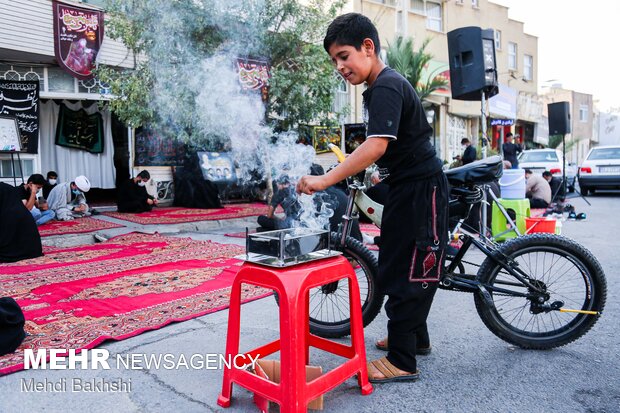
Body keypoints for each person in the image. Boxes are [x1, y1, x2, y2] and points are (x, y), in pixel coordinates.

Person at [297, 13, 449, 384]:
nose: (340, 66)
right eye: (334, 60)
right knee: (403, 262)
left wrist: (326, 179)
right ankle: (414, 338)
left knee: (407, 269)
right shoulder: (382, 86)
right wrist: (381, 172)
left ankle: (403, 359)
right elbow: (394, 145)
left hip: (420, 189)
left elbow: (377, 144)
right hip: (408, 185)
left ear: (368, 47)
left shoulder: (385, 86)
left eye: (344, 55)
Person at [0, 182, 43, 262]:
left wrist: (33, 193)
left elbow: (40, 206)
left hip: (8, 252)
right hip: (32, 251)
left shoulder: (6, 214)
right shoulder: (21, 210)